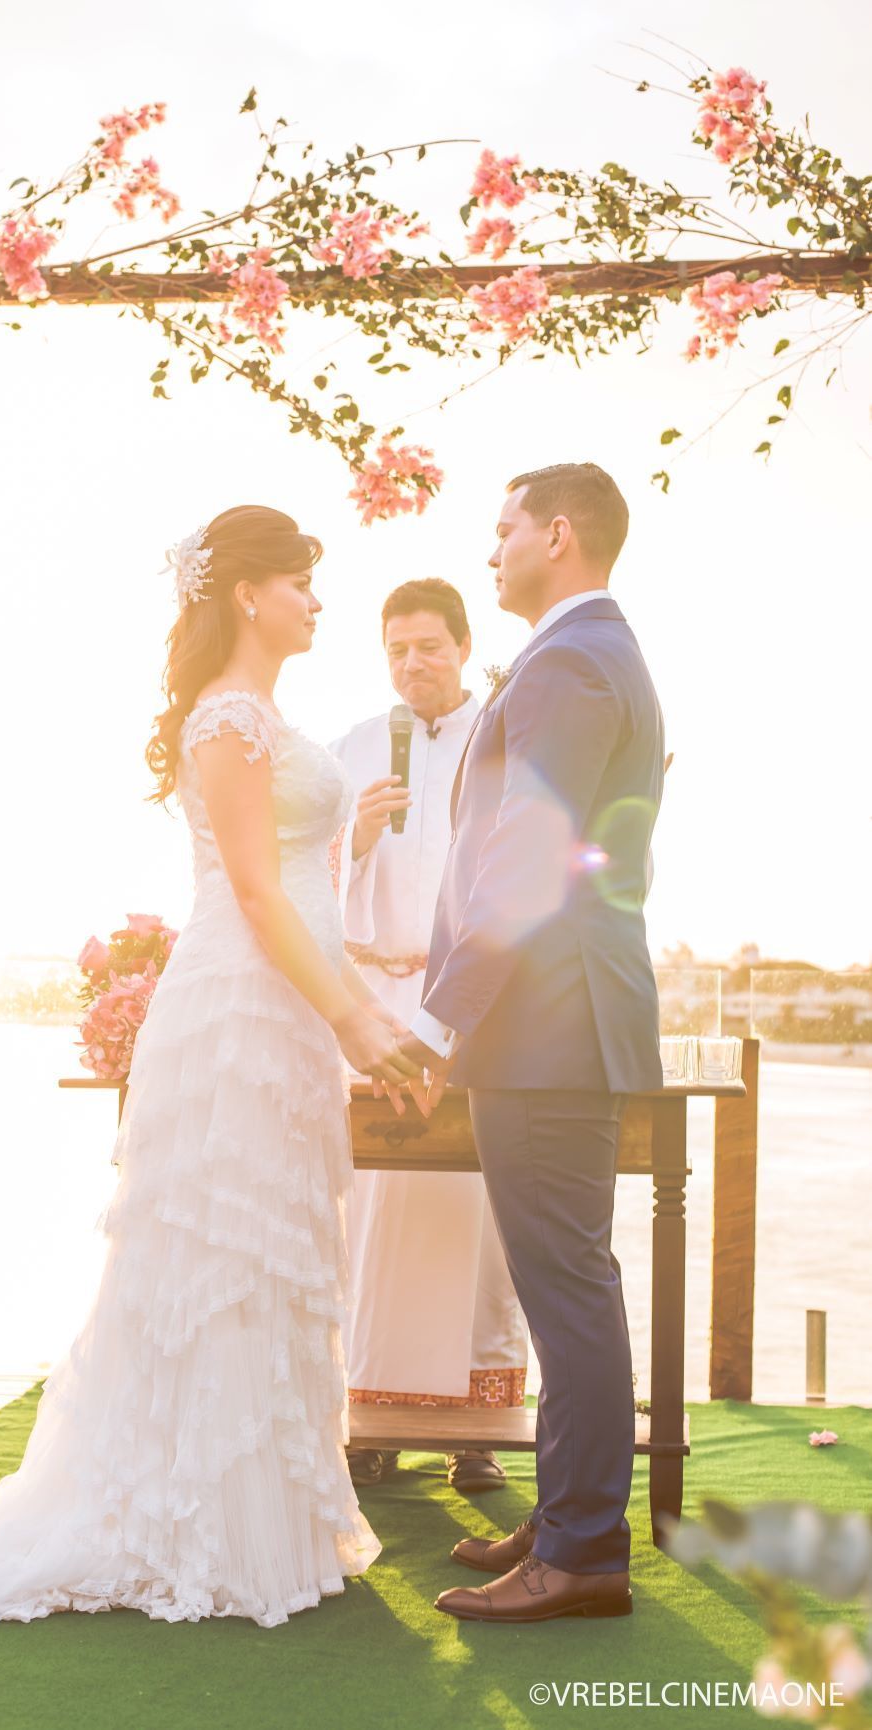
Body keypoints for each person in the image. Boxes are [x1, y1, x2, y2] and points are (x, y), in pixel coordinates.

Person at [0, 505, 425, 1631]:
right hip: (238, 1015)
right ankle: (193, 1523)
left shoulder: (268, 717)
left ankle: (269, 1512)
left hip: (290, 1011)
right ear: (246, 595)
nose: (318, 600)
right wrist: (360, 1018)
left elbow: (295, 876)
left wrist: (351, 867)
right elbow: (254, 895)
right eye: (301, 580)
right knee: (217, 1254)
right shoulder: (225, 717)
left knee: (279, 1250)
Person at [396, 463, 665, 1625]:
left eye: (504, 527)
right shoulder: (593, 654)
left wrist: (443, 1012)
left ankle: (586, 1552)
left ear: (558, 534)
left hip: (547, 1026)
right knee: (572, 1285)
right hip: (562, 1018)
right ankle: (568, 1519)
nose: (491, 545)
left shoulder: (567, 659)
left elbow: (526, 849)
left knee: (568, 1291)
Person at [330, 579, 526, 1494]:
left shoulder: (501, 734)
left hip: (464, 1000)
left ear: (460, 646)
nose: (413, 664)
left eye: (429, 648)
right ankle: (367, 1421)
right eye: (397, 649)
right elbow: (310, 880)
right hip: (377, 1000)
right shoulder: (356, 750)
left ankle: (474, 1431)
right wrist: (356, 839)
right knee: (374, 1208)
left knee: (474, 1215)